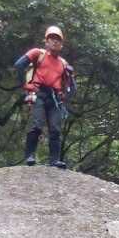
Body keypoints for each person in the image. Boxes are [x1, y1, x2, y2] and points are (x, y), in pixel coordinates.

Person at [14, 26, 75, 168]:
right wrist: (25, 85)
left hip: (54, 98)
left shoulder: (63, 63)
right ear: (46, 41)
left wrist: (65, 94)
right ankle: (30, 156)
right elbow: (19, 65)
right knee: (37, 125)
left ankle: (54, 160)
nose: (55, 41)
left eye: (58, 39)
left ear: (62, 44)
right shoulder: (37, 53)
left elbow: (72, 87)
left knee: (55, 129)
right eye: (51, 38)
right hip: (38, 93)